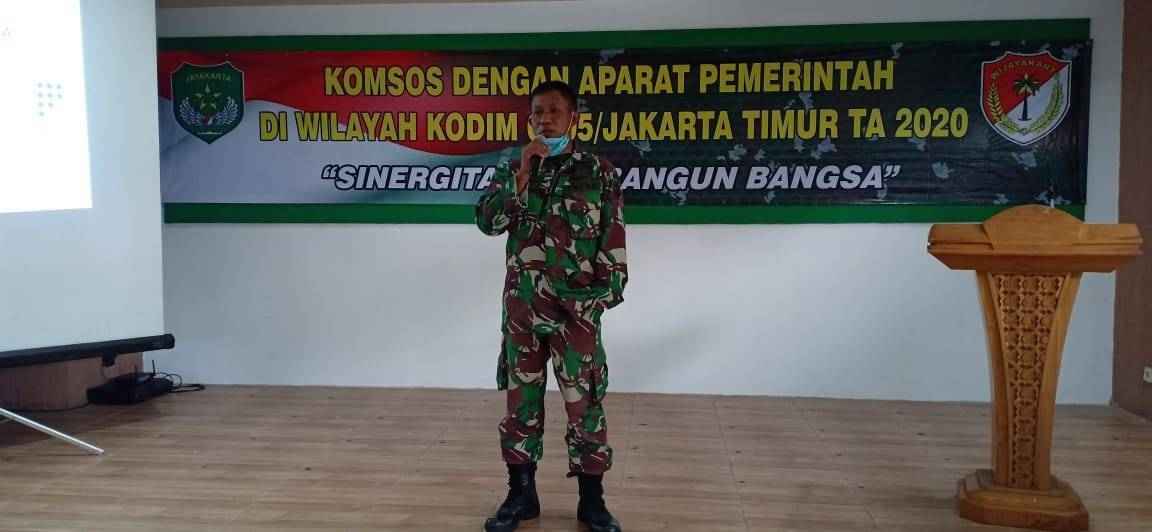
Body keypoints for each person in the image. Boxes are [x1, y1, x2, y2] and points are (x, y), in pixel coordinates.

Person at [475, 80, 627, 532]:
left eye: (554, 111)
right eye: (538, 112)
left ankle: (592, 501)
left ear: (573, 118)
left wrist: (600, 300)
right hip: (523, 312)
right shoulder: (513, 168)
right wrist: (522, 175)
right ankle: (521, 495)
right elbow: (487, 222)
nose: (545, 119)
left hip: (575, 313)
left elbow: (613, 241)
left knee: (585, 407)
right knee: (520, 406)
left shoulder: (597, 172)